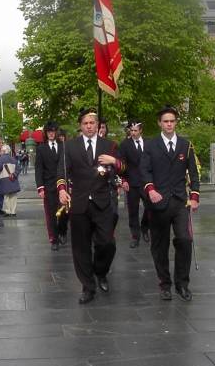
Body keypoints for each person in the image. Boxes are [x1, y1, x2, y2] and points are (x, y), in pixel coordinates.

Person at [57, 108, 123, 304]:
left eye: (92, 123)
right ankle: (88, 286)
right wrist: (61, 189)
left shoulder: (109, 145)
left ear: (97, 125)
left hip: (102, 202)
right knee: (81, 247)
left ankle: (100, 271)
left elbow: (125, 168)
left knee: (107, 243)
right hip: (79, 202)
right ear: (81, 126)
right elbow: (62, 170)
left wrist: (114, 162)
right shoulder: (70, 147)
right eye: (85, 123)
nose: (89, 126)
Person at [141, 106, 200, 301]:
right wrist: (151, 190)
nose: (169, 124)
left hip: (180, 202)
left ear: (176, 123)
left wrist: (194, 197)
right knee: (160, 245)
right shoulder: (150, 145)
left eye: (172, 121)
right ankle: (164, 284)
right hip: (158, 202)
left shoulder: (186, 145)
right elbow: (144, 171)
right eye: (165, 121)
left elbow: (194, 173)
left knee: (184, 240)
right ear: (160, 123)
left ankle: (182, 284)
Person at [35, 121, 67, 250]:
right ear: (46, 133)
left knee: (64, 212)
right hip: (48, 186)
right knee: (51, 214)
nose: (51, 134)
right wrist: (40, 187)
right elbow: (38, 169)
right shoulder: (41, 148)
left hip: (63, 185)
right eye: (49, 132)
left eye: (53, 132)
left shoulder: (63, 146)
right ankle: (54, 239)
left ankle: (62, 231)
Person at [120, 119, 150, 248]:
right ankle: (135, 236)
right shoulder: (125, 145)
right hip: (131, 183)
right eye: (131, 130)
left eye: (135, 130)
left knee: (150, 208)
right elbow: (121, 164)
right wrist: (123, 180)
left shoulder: (149, 143)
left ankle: (145, 227)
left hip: (146, 182)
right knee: (133, 211)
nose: (133, 133)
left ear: (141, 131)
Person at [0, 145, 21, 216]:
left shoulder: (1, 159)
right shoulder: (13, 159)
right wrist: (14, 174)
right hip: (13, 179)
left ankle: (8, 211)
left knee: (6, 196)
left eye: (1, 151)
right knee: (13, 196)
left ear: (3, 151)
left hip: (4, 179)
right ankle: (13, 211)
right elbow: (19, 168)